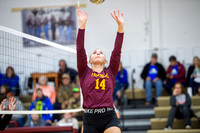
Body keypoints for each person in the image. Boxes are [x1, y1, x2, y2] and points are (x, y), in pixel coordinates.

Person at [77, 8, 124, 133]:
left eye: (101, 53)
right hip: (90, 118)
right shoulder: (84, 72)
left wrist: (121, 27)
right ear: (90, 60)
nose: (98, 53)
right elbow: (80, 50)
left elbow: (117, 51)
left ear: (105, 61)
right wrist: (82, 26)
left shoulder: (111, 72)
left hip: (108, 116)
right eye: (94, 53)